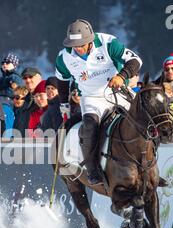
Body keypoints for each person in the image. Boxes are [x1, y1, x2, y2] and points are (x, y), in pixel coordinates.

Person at [55, 19, 142, 185]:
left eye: (81, 44)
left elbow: (136, 61)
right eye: (74, 45)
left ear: (89, 40)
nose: (78, 48)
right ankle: (92, 169)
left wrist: (121, 76)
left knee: (143, 118)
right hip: (91, 97)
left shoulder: (107, 42)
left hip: (117, 91)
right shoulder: (64, 57)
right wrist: (64, 104)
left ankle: (150, 164)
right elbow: (62, 80)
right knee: (90, 125)